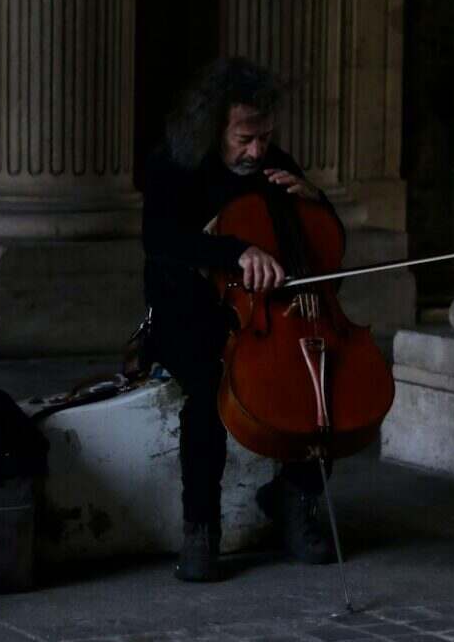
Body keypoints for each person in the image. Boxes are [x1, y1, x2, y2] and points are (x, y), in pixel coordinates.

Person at [142, 57, 340, 582]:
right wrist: (235, 250)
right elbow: (161, 240)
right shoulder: (175, 165)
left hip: (268, 317)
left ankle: (296, 501)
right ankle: (201, 530)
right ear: (214, 128)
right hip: (190, 309)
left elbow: (325, 247)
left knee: (326, 382)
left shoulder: (276, 163)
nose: (257, 151)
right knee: (209, 391)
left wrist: (316, 201)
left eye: (265, 137)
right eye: (244, 138)